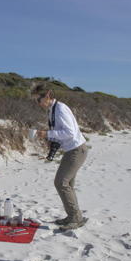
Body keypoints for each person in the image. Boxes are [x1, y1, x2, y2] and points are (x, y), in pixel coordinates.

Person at [31, 84, 88, 231]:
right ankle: (73, 216)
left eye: (39, 100)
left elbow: (70, 132)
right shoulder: (52, 110)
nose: (38, 104)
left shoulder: (60, 109)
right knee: (67, 184)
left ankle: (76, 218)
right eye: (36, 101)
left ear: (48, 95)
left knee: (61, 183)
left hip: (76, 150)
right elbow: (59, 132)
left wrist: (47, 134)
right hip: (71, 150)